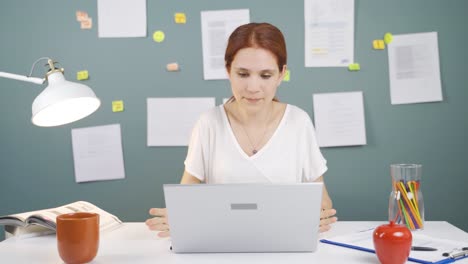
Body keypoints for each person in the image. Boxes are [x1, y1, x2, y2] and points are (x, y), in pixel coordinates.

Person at [146, 22, 337, 237]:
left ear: (281, 74)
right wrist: (178, 217)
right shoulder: (208, 123)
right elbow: (184, 197)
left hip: (284, 245)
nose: (253, 88)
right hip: (220, 244)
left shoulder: (298, 122)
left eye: (265, 75)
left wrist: (318, 215)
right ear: (228, 71)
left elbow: (322, 202)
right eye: (243, 74)